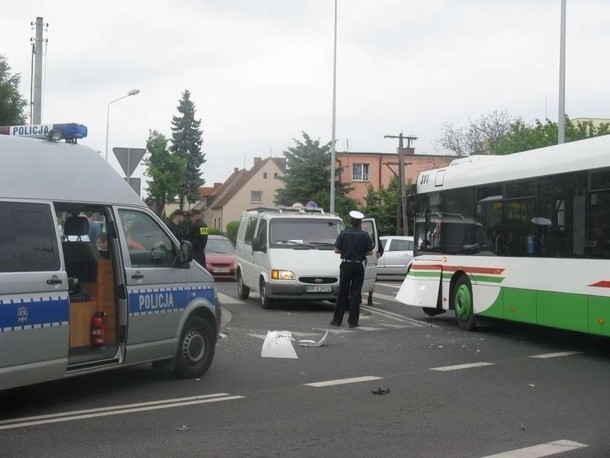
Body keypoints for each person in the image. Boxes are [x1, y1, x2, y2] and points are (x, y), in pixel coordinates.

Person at [331, 210, 374, 328]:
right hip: (359, 265)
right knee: (355, 293)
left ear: (350, 221)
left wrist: (345, 251)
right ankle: (353, 322)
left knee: (343, 293)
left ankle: (337, 320)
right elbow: (370, 251)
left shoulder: (344, 233)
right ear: (360, 222)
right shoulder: (364, 235)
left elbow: (336, 249)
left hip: (346, 265)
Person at [367, 236, 384, 305]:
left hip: (371, 261)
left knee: (372, 281)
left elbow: (381, 249)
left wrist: (379, 253)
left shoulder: (374, 237)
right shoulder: (360, 234)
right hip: (361, 261)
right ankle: (358, 298)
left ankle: (370, 297)